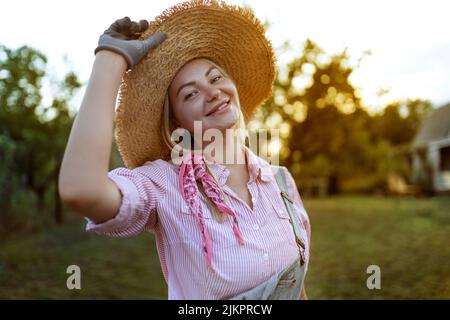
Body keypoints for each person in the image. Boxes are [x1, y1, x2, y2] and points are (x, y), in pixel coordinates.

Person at [59, 0, 311, 300]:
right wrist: (110, 59)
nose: (212, 92)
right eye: (191, 94)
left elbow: (297, 287)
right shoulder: (162, 184)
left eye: (216, 77)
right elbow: (81, 190)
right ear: (177, 120)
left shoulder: (280, 181)